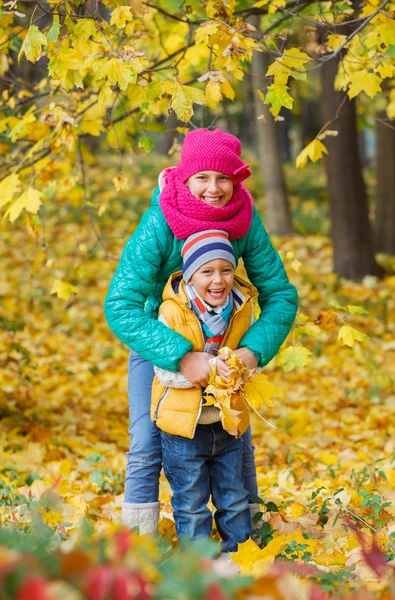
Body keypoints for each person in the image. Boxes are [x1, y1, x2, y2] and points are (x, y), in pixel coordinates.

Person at [104, 128, 298, 534]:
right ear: (185, 177)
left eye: (224, 177)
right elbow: (120, 305)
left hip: (224, 344)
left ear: (237, 180)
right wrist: (181, 356)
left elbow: (280, 294)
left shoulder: (243, 218)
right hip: (160, 342)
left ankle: (250, 540)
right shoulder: (160, 220)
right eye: (203, 178)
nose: (214, 188)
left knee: (238, 439)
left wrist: (251, 352)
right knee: (145, 442)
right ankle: (137, 548)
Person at [151, 230, 256, 552]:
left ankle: (241, 559)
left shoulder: (241, 308)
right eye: (207, 271)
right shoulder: (171, 312)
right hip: (183, 428)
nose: (218, 280)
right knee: (191, 501)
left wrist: (241, 370)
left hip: (228, 424)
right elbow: (164, 371)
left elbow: (252, 355)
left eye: (226, 270)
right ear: (190, 274)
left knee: (234, 497)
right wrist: (211, 372)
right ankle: (196, 566)